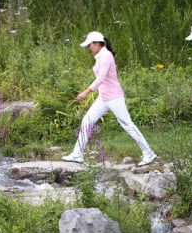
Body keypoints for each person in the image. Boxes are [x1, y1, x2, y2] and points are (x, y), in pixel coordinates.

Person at [62, 31, 157, 166]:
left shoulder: (106, 55)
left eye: (90, 45)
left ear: (97, 44)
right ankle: (77, 154)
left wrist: (86, 92)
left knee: (127, 124)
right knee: (87, 121)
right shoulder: (100, 56)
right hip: (104, 97)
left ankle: (149, 153)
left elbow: (101, 78)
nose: (89, 48)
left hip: (114, 97)